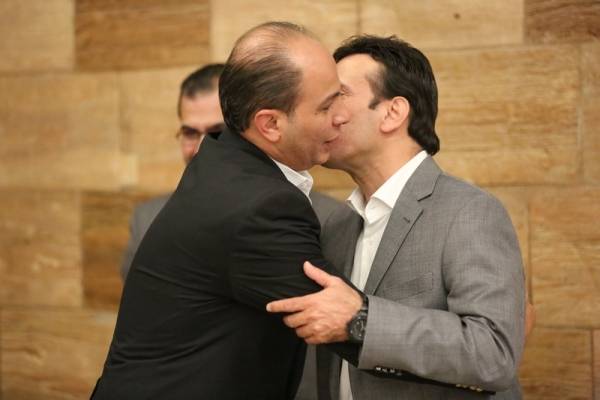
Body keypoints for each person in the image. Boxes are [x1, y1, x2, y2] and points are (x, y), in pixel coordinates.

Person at [92, 22, 358, 400]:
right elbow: (343, 320)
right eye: (327, 106)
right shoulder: (262, 206)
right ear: (270, 124)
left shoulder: (224, 160)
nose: (342, 116)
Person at [268, 35, 526, 399]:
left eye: (338, 95)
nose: (324, 111)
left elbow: (494, 353)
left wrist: (361, 320)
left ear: (392, 113)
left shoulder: (469, 211)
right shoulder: (338, 225)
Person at [120, 64, 340, 281]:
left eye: (216, 132)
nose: (201, 148)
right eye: (190, 133)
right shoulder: (148, 219)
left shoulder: (328, 219)